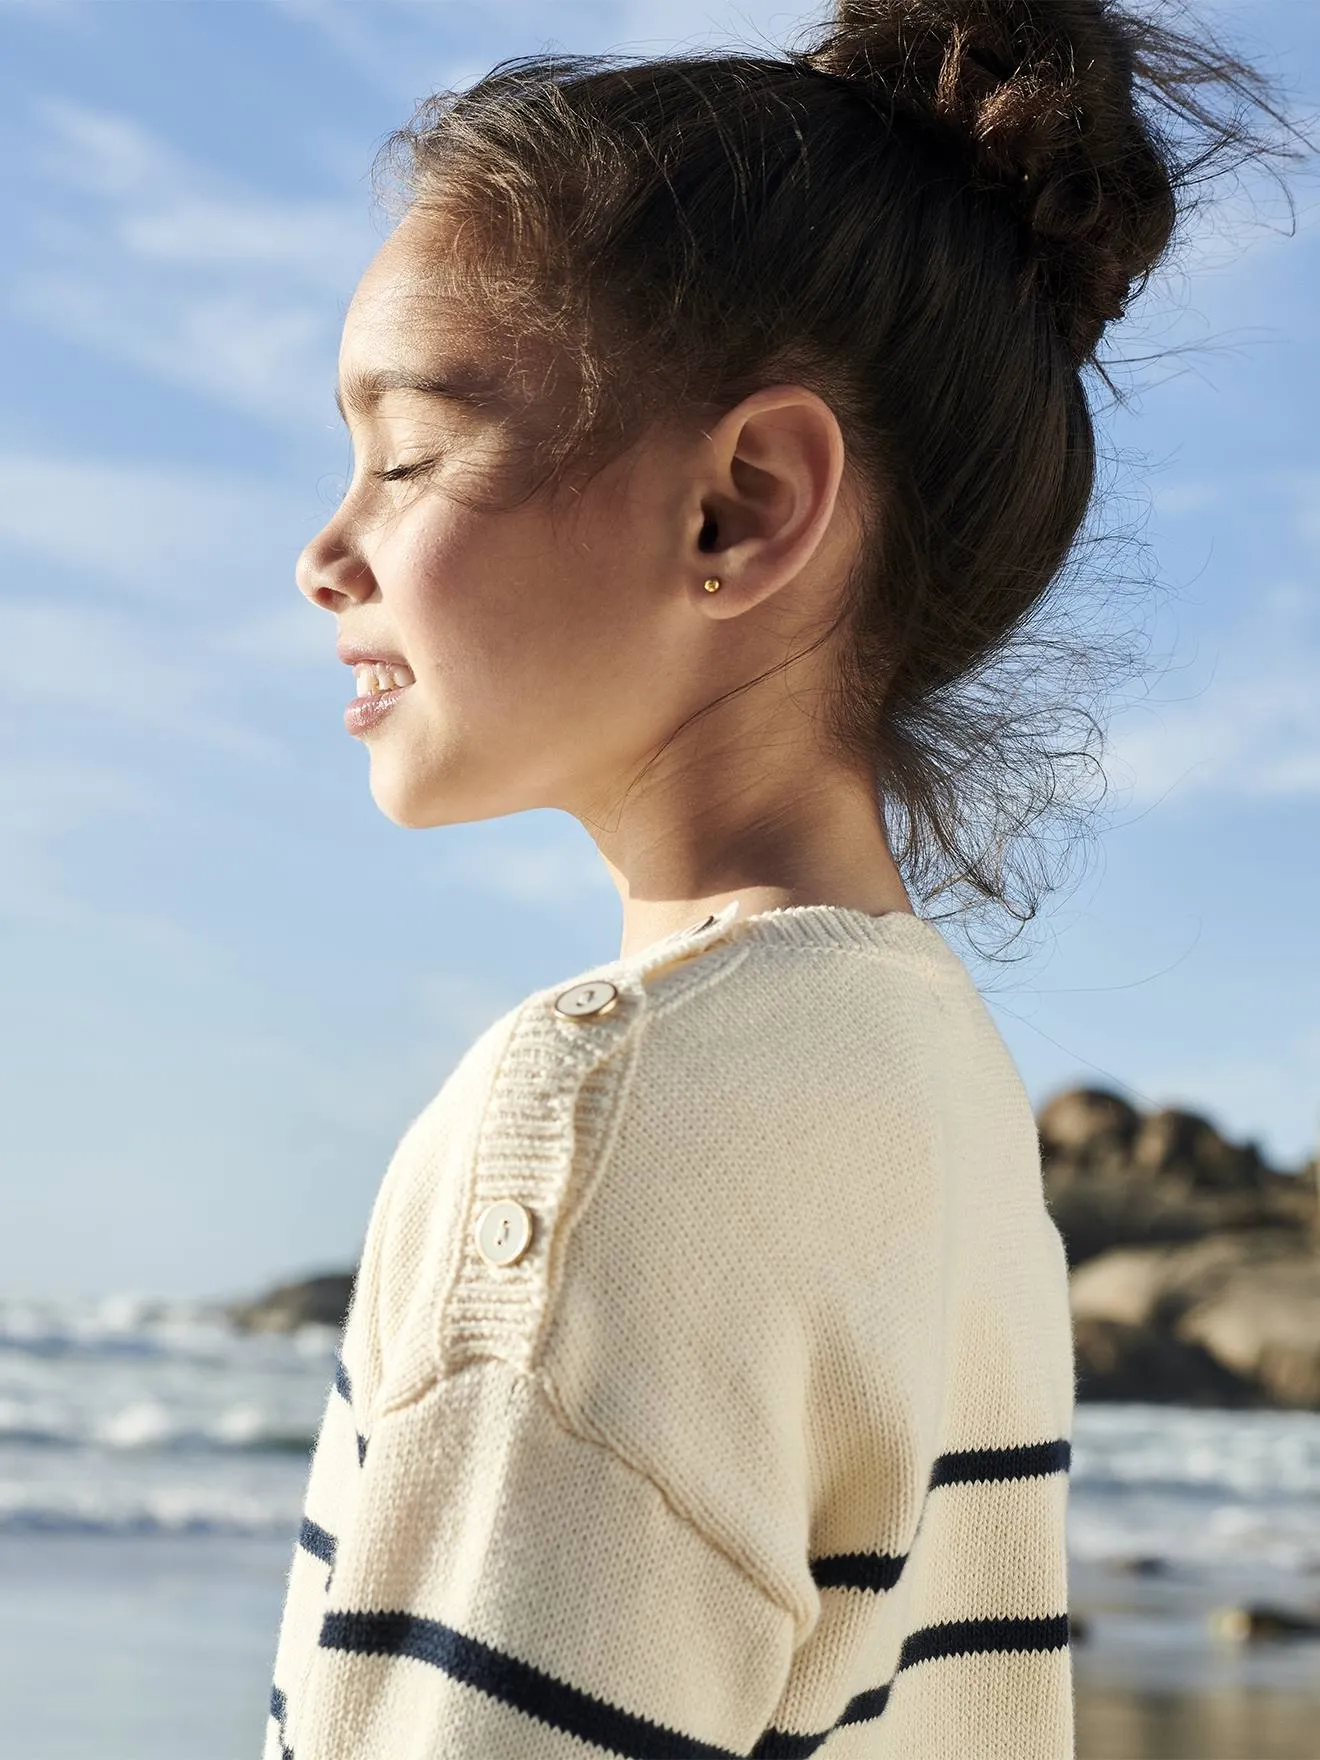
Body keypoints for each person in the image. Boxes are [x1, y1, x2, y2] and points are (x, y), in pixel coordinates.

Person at [269, 2, 1291, 1753]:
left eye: (412, 453)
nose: (322, 555)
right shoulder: (939, 1093)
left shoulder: (593, 1124)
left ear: (739, 508)